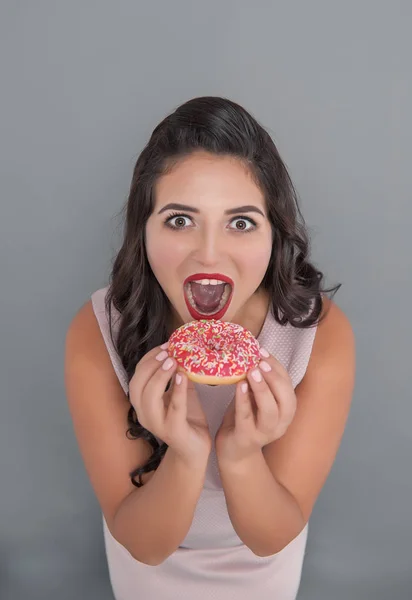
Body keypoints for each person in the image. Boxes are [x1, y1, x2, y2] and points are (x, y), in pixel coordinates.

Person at [64, 96, 355, 599]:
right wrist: (186, 451)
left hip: (264, 570)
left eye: (240, 222)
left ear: (274, 233)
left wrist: (241, 457)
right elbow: (143, 544)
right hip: (146, 567)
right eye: (180, 220)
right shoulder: (96, 330)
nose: (209, 253)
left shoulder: (318, 334)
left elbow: (272, 537)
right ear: (144, 231)